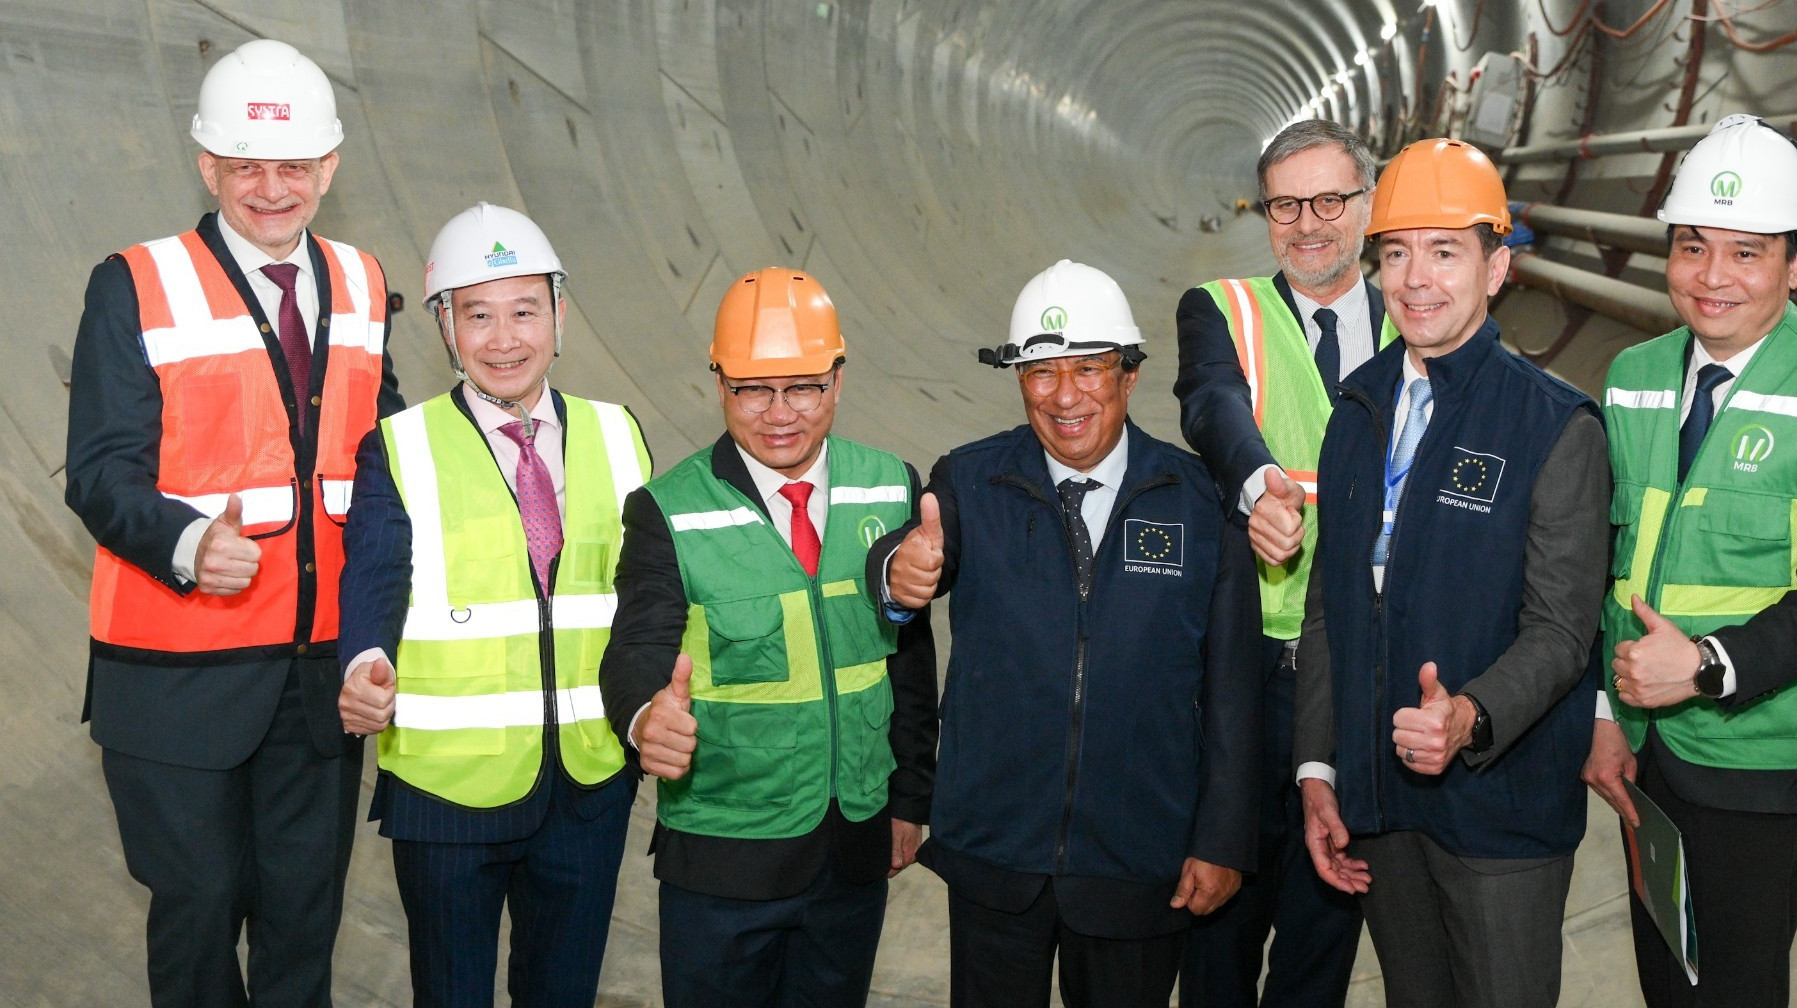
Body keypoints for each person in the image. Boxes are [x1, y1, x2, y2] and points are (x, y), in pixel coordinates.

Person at [65, 38, 401, 1007]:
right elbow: (98, 470)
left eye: (293, 165)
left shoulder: (364, 283)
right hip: (174, 679)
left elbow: (384, 467)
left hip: (315, 678)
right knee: (200, 911)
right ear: (207, 165)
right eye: (246, 166)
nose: (270, 188)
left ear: (329, 168)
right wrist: (180, 540)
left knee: (304, 924)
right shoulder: (135, 282)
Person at [1582, 114, 1797, 1007]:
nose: (1713, 278)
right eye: (1693, 248)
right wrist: (1609, 710)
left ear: (1795, 264)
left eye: (1747, 253)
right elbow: (1614, 563)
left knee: (1736, 987)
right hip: (1647, 748)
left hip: (1765, 757)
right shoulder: (1631, 375)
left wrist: (1705, 664)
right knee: (1667, 978)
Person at [878, 259, 1261, 1008]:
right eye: (1041, 372)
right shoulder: (971, 480)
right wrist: (895, 575)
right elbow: (906, 557)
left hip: (1138, 858)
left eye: (1089, 369)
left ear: (1129, 374)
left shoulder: (1196, 499)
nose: (1065, 396)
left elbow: (1233, 689)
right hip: (996, 852)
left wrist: (1221, 840)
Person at [1293, 138, 1610, 1008]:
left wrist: (1471, 714)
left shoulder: (1553, 424)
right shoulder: (1356, 409)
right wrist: (1319, 770)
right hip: (1381, 798)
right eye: (1396, 253)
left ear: (1497, 266)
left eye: (1444, 251)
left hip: (1498, 811)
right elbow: (1330, 608)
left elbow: (1562, 630)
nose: (1415, 278)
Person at [333, 203, 651, 1006]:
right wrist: (367, 661)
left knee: (563, 992)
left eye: (524, 311)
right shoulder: (400, 444)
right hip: (448, 796)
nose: (504, 339)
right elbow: (372, 572)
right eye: (478, 314)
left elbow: (649, 592)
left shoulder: (620, 435)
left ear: (559, 315)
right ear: (445, 326)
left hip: (588, 782)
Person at [598, 268, 938, 1008]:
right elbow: (636, 645)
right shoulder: (669, 509)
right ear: (718, 384)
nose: (779, 414)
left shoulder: (892, 486)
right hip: (722, 861)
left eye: (805, 387)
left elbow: (907, 659)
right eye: (753, 388)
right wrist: (643, 717)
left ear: (838, 381)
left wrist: (910, 795)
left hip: (852, 851)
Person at [1174, 117, 1388, 1007]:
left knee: (1323, 933)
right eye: (1286, 204)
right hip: (1248, 673)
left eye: (1331, 200)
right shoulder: (1223, 310)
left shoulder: (1419, 316)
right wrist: (1260, 482)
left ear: (1369, 206)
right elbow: (1212, 402)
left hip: (1362, 677)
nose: (1309, 223)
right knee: (1221, 928)